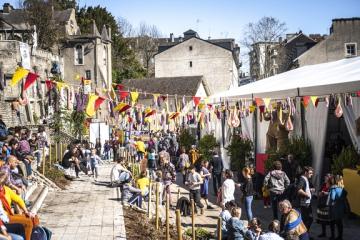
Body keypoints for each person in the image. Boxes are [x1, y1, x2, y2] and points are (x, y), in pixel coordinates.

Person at [0, 171, 35, 240]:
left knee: (34, 218)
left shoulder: (6, 190)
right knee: (28, 222)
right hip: (4, 218)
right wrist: (5, 234)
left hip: (7, 216)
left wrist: (26, 211)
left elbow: (18, 200)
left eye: (2, 184)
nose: (1, 187)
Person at [328, 175, 347, 240]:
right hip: (341, 208)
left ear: (336, 180)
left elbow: (332, 198)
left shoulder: (334, 188)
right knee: (340, 223)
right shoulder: (343, 188)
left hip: (335, 208)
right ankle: (340, 237)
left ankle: (333, 236)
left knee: (332, 222)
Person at [295, 166, 314, 231]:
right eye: (310, 173)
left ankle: (305, 234)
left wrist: (310, 190)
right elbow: (299, 190)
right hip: (305, 203)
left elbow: (304, 189)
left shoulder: (305, 179)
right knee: (308, 219)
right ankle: (305, 234)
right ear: (306, 172)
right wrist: (307, 195)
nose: (312, 174)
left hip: (307, 202)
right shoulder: (302, 179)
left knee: (308, 219)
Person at [316, 174, 332, 238]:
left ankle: (332, 235)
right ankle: (323, 233)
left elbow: (331, 193)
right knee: (322, 220)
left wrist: (325, 193)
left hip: (327, 205)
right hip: (321, 204)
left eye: (326, 178)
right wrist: (319, 193)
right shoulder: (323, 184)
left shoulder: (331, 185)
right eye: (325, 178)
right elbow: (319, 191)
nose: (325, 179)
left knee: (329, 221)